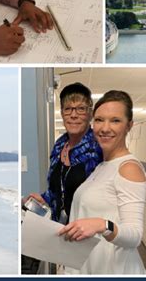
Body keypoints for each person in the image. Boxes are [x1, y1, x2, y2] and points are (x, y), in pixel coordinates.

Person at [59, 90, 146, 275]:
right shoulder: (102, 166)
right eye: (99, 120)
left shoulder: (129, 168)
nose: (104, 128)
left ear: (129, 126)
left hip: (112, 269)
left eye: (115, 120)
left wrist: (103, 225)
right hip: (88, 264)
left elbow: (134, 236)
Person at [24, 82, 103, 222]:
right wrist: (44, 198)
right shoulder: (59, 145)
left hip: (87, 231)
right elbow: (58, 189)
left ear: (90, 114)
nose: (73, 115)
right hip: (59, 229)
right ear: (62, 113)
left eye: (80, 109)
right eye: (68, 109)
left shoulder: (99, 147)